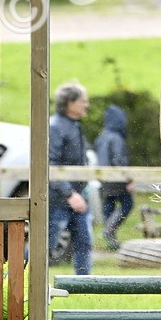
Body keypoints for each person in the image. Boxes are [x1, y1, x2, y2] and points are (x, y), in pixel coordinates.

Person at [49, 82, 93, 275]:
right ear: (70, 103)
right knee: (45, 245)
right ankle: (16, 279)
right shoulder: (56, 127)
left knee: (84, 243)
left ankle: (85, 289)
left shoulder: (73, 126)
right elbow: (50, 165)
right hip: (59, 199)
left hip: (77, 197)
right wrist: (69, 194)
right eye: (83, 101)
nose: (86, 105)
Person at [95, 104, 133, 252]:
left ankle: (110, 238)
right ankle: (109, 230)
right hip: (117, 181)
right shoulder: (116, 138)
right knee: (127, 204)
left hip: (104, 181)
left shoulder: (102, 137)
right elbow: (119, 160)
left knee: (108, 208)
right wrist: (128, 180)